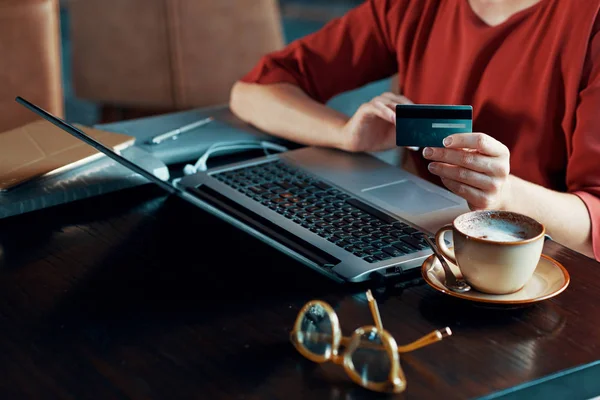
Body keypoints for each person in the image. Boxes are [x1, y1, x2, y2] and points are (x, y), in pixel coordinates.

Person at [229, 0, 600, 261]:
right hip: (415, 249)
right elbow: (253, 92)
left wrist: (504, 195)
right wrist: (344, 133)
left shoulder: (589, 24)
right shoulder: (413, 7)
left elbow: (594, 224)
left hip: (531, 269)